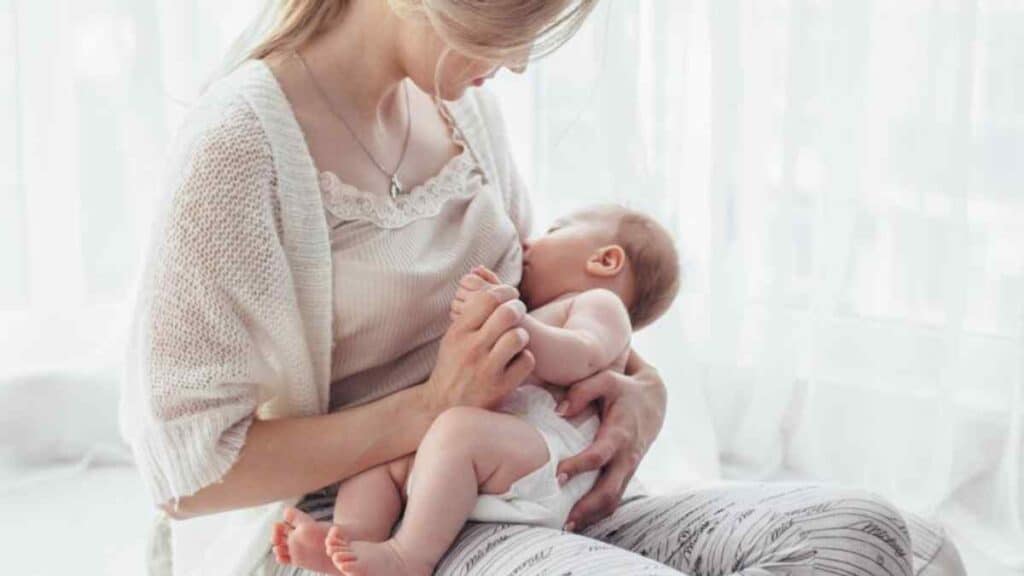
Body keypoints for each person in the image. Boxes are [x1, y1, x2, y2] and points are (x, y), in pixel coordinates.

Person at [119, 0, 968, 574]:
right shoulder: (240, 151)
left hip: (525, 483)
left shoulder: (457, 107)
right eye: (521, 21)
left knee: (883, 540)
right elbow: (188, 477)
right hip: (362, 528)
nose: (520, 63)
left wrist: (642, 393)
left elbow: (544, 306)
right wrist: (425, 411)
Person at [271, 205, 680, 575]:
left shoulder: (600, 306)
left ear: (605, 260)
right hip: (499, 457)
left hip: (553, 457)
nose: (527, 243)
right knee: (381, 462)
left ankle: (407, 557)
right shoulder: (549, 310)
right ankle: (348, 538)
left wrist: (513, 322)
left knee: (458, 431)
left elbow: (583, 358)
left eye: (554, 229)